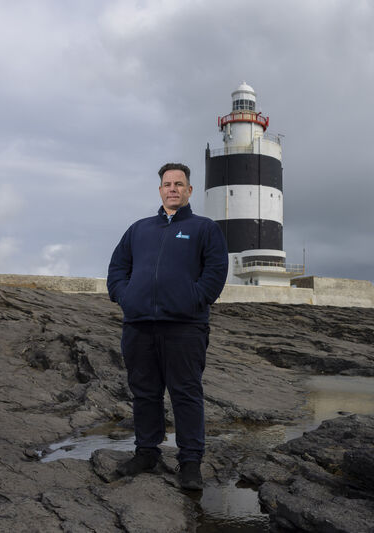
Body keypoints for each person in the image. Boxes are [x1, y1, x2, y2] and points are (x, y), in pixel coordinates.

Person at [107, 162, 228, 490]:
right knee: (144, 393)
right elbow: (118, 267)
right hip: (139, 325)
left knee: (186, 393)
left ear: (189, 190)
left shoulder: (205, 229)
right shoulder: (139, 229)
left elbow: (215, 272)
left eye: (179, 184)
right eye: (167, 184)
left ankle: (190, 462)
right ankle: (147, 452)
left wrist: (192, 300)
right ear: (160, 190)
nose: (172, 188)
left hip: (185, 327)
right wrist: (126, 297)